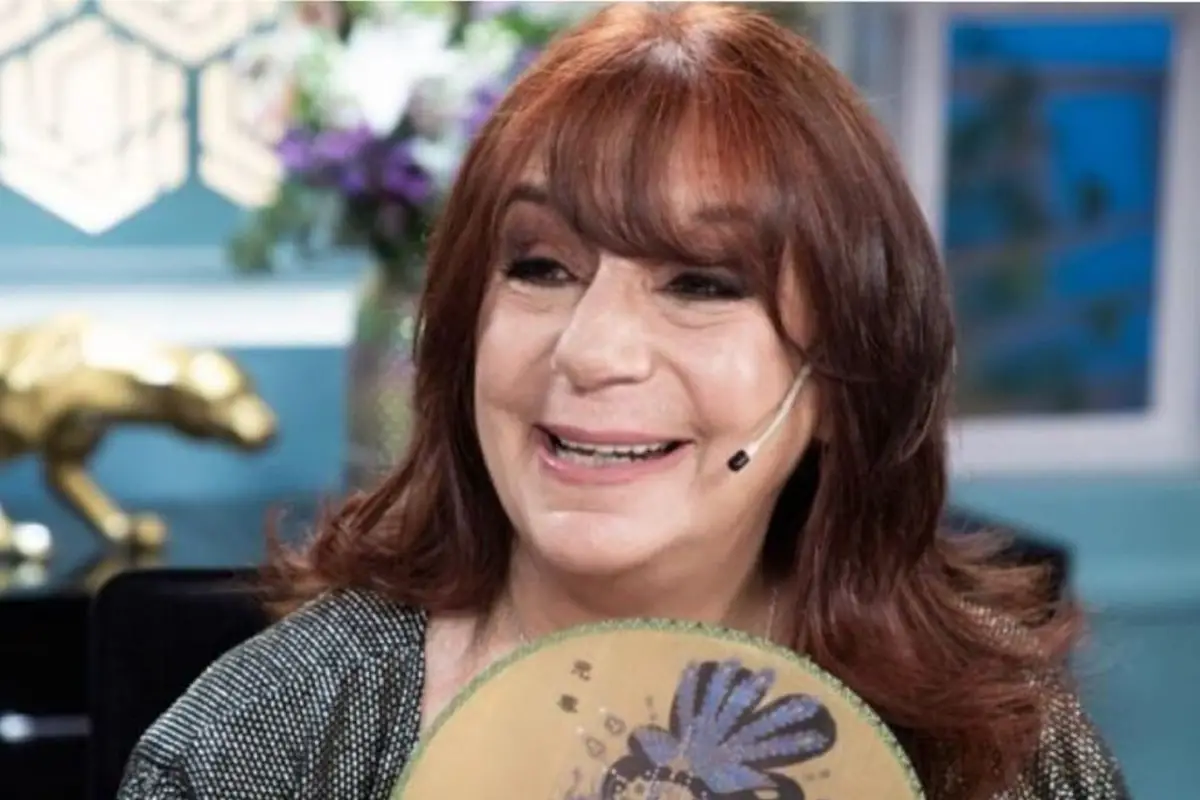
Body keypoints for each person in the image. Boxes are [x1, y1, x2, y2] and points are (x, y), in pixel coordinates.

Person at [117, 4, 1128, 799]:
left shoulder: (1009, 745)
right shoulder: (259, 743)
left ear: (841, 372)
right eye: (541, 267)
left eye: (701, 282)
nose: (592, 350)